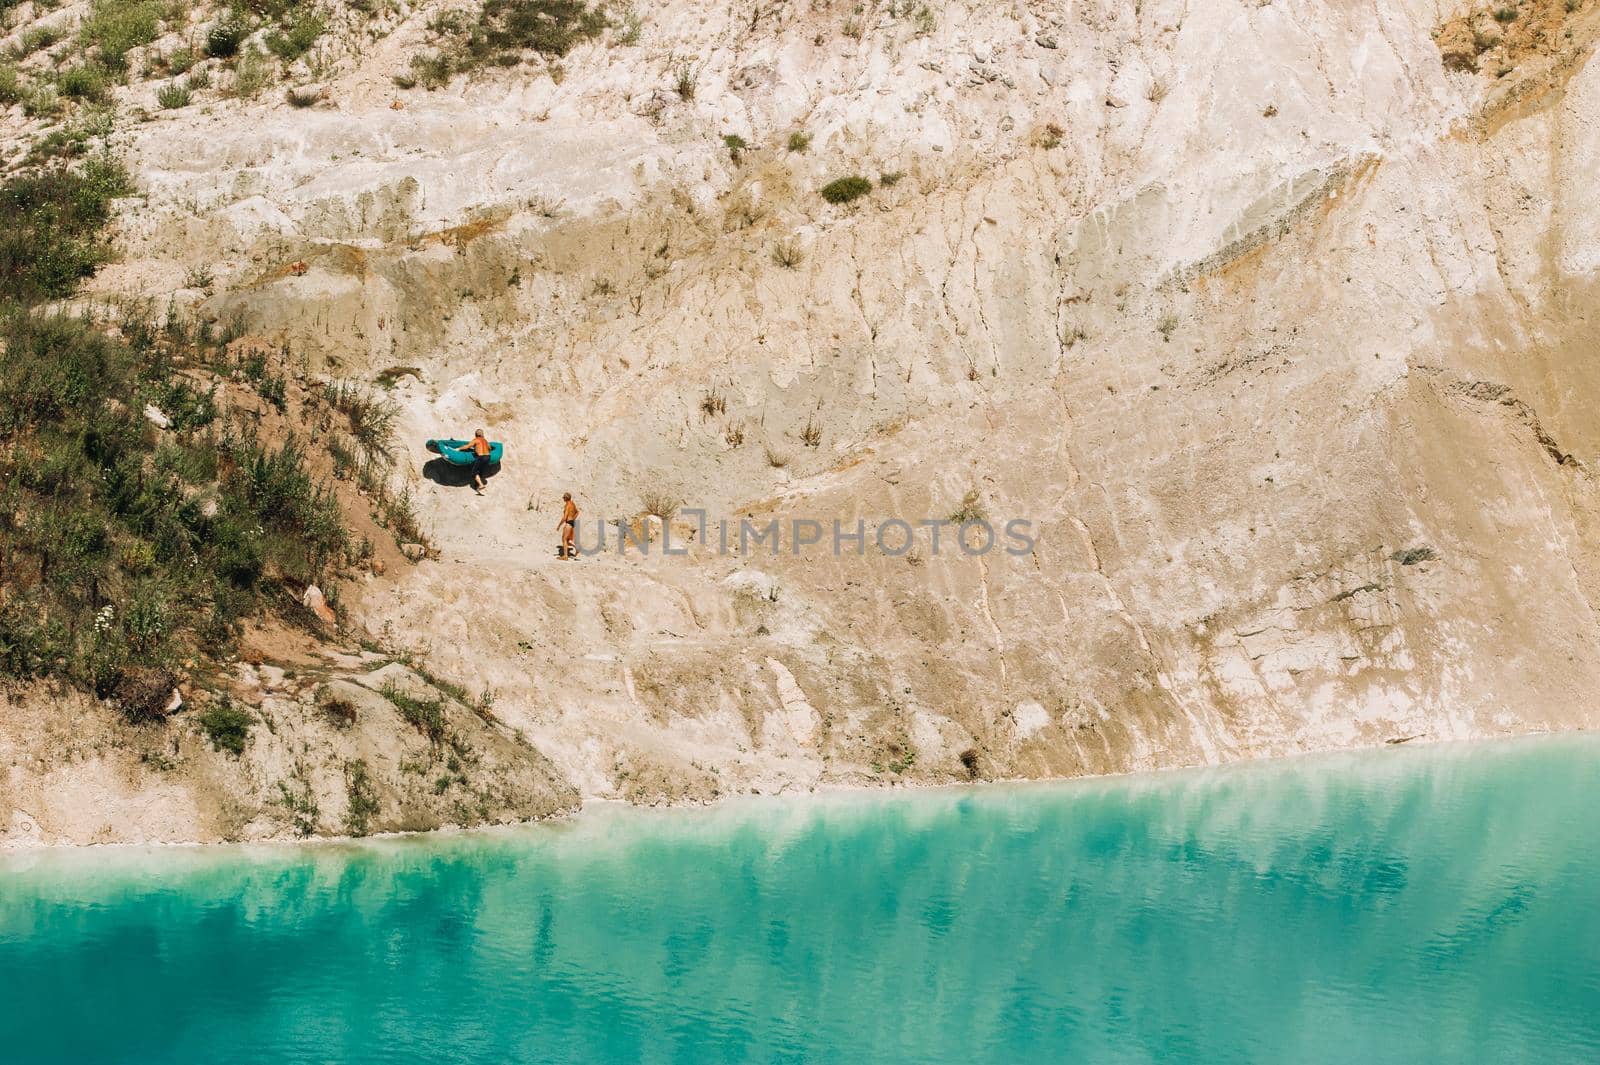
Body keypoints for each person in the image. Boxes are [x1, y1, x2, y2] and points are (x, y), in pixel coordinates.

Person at [465, 429, 492, 495]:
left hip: (481, 457)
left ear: (475, 435)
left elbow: (467, 446)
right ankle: (477, 486)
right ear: (483, 434)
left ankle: (481, 485)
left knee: (474, 472)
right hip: (488, 457)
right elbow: (490, 448)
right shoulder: (485, 441)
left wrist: (458, 449)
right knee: (480, 471)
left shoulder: (476, 440)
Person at [557, 492, 579, 559]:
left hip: (568, 523)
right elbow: (577, 512)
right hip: (572, 522)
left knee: (564, 539)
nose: (563, 498)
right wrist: (573, 519)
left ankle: (565, 556)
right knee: (568, 539)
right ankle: (577, 548)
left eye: (563, 497)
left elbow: (565, 517)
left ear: (566, 498)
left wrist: (559, 525)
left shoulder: (567, 505)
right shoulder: (573, 504)